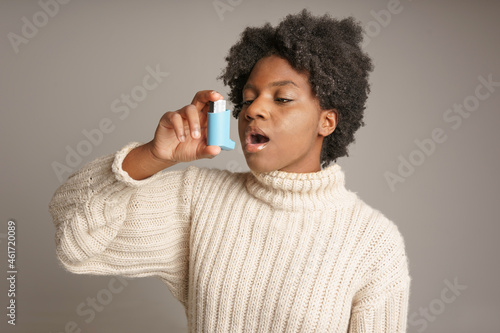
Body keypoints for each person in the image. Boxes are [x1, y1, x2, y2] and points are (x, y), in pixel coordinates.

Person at [49, 9, 411, 332]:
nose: (253, 111)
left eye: (281, 98)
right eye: (248, 99)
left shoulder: (373, 242)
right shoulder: (199, 200)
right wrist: (154, 155)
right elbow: (75, 235)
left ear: (327, 121)